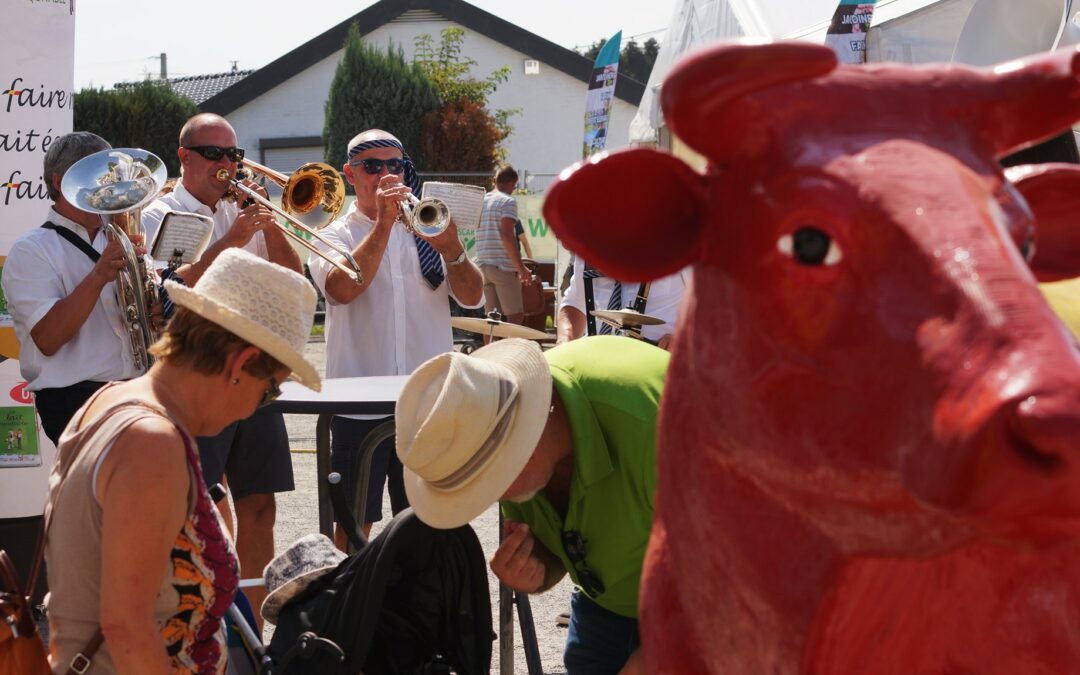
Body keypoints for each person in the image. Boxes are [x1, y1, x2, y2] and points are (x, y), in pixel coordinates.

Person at [44, 248, 320, 674]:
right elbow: (128, 628)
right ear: (241, 363)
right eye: (269, 390)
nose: (255, 408)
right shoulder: (151, 442)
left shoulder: (112, 400)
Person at [395, 336, 666, 674]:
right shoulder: (506, 428)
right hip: (608, 604)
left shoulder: (655, 424)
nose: (493, 498)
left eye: (489, 484)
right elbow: (562, 555)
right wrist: (535, 570)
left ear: (526, 435)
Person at [142, 112, 303, 625]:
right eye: (215, 154)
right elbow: (167, 296)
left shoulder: (247, 210)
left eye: (233, 154)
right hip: (197, 378)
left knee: (260, 507)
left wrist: (270, 223)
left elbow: (295, 283)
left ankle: (252, 632)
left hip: (254, 374)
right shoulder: (158, 214)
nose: (227, 165)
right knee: (197, 510)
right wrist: (232, 237)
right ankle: (198, 623)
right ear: (185, 157)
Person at [308, 129, 484, 545]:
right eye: (373, 166)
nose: (386, 174)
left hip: (428, 403)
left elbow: (473, 297)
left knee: (432, 527)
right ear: (351, 174)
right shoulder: (333, 234)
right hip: (357, 405)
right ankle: (351, 607)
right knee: (353, 528)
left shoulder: (428, 223)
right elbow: (341, 288)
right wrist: (386, 223)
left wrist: (453, 249)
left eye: (395, 165)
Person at [1, 132, 143, 446]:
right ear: (60, 181)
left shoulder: (120, 236)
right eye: (97, 174)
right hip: (75, 399)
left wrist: (154, 308)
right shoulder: (32, 249)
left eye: (111, 173)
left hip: (136, 389)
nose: (109, 184)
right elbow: (48, 338)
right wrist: (98, 276)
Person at [557, 258, 689, 350]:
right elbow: (575, 301)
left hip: (659, 368)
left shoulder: (680, 243)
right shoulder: (588, 243)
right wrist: (564, 339)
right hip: (597, 365)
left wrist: (684, 339)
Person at [475, 166, 532, 324]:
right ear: (513, 182)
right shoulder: (507, 201)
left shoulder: (482, 200)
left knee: (491, 321)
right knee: (515, 317)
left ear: (495, 181)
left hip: (483, 266)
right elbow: (507, 236)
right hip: (503, 267)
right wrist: (521, 268)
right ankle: (511, 350)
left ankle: (490, 349)